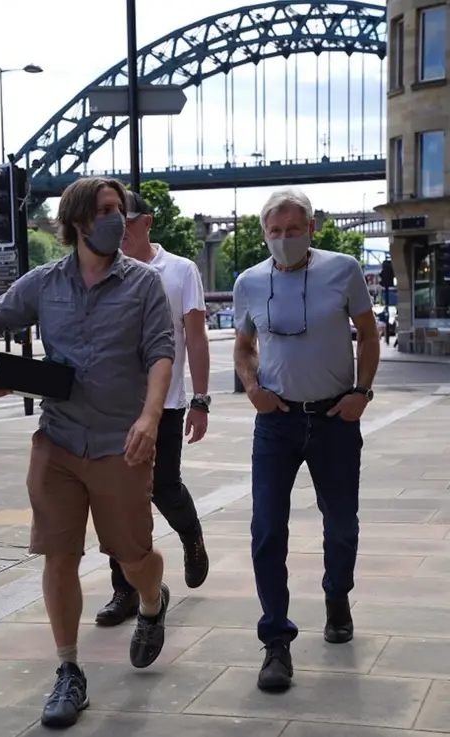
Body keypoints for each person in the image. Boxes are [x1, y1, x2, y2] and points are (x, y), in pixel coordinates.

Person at [0, 177, 175, 729]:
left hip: (121, 446)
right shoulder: (45, 283)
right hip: (58, 442)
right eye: (108, 210)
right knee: (58, 555)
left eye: (122, 211)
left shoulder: (145, 285)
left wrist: (150, 418)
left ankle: (152, 602)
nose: (119, 219)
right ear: (80, 220)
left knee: (135, 557)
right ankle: (68, 672)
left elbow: (161, 354)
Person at [233, 187, 380, 693]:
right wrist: (252, 387)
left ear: (311, 229)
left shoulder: (343, 270)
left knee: (341, 525)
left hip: (336, 418)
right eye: (275, 231)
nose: (284, 239)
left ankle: (337, 596)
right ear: (264, 234)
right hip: (277, 423)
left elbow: (369, 332)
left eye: (294, 230)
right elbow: (244, 345)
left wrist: (361, 391)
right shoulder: (249, 281)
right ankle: (276, 639)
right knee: (267, 528)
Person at [95, 191, 211, 627]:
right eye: (109, 221)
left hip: (165, 404)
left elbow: (196, 337)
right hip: (114, 405)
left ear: (148, 222)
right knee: (117, 498)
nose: (118, 230)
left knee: (163, 488)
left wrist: (200, 399)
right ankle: (124, 590)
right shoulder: (103, 268)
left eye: (125, 221)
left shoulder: (179, 270)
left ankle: (191, 536)